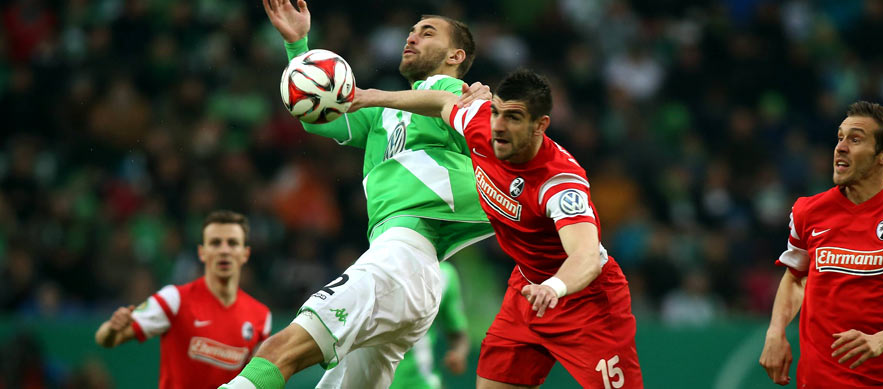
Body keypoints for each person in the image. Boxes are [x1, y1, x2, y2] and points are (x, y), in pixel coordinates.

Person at [222, 1, 493, 388]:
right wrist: (298, 47)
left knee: (280, 350)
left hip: (402, 258)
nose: (412, 36)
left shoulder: (452, 91)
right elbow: (318, 114)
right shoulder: (385, 116)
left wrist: (480, 102)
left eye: (427, 31)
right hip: (405, 268)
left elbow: (460, 112)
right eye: (411, 30)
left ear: (456, 55)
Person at [350, 68, 644, 388]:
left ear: (540, 126)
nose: (499, 126)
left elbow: (586, 255)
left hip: (587, 304)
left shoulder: (559, 183)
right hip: (527, 291)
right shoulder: (483, 128)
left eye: (514, 118)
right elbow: (442, 102)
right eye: (496, 112)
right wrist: (371, 98)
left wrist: (554, 288)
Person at [759, 101, 883, 388]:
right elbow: (796, 279)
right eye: (840, 137)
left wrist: (881, 340)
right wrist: (775, 331)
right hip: (816, 380)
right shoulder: (808, 211)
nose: (841, 147)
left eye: (855, 139)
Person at [94, 210, 272, 389]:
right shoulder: (174, 299)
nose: (224, 250)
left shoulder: (261, 316)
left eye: (232, 243)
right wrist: (112, 328)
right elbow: (106, 338)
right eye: (215, 243)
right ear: (202, 252)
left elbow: (257, 381)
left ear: (245, 254)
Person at [390, 261, 470, 389]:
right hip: (371, 381)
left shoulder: (445, 274)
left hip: (421, 382)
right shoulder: (367, 267)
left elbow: (457, 333)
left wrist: (458, 354)